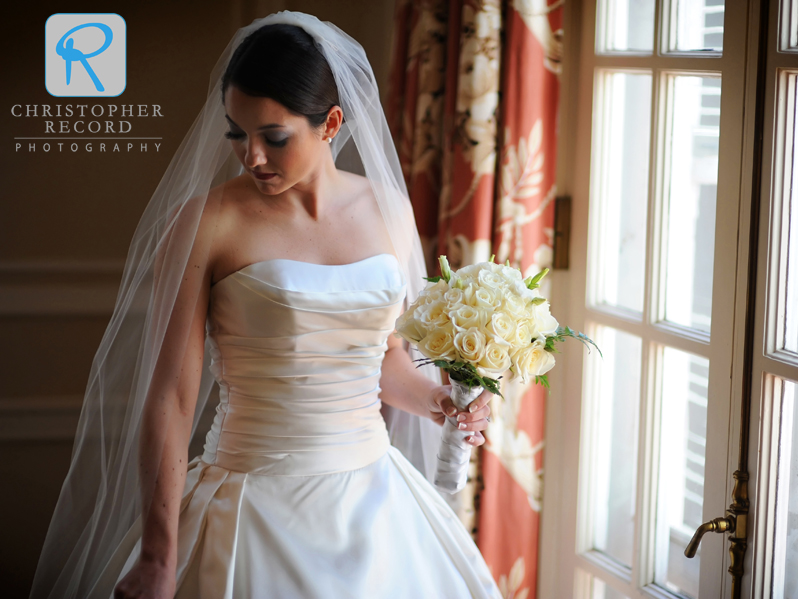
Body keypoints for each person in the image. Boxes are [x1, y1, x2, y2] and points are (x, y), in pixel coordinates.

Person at [29, 11, 503, 599]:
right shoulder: (205, 222)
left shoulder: (388, 211)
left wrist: (438, 401)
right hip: (252, 495)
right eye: (237, 132)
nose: (250, 157)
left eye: (273, 137)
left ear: (330, 123)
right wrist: (157, 553)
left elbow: (384, 360)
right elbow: (172, 398)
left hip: (376, 502)